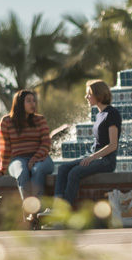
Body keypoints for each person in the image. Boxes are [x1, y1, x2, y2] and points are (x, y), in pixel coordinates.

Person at [52, 80, 121, 208]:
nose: (86, 97)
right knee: (63, 169)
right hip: (95, 156)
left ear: (98, 94)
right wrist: (90, 156)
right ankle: (57, 207)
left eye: (89, 94)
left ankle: (63, 211)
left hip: (107, 160)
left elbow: (113, 145)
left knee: (74, 172)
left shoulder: (112, 114)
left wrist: (91, 157)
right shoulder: (100, 114)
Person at [0, 90, 55, 203]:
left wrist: (34, 158)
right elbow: (6, 149)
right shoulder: (6, 121)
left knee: (37, 170)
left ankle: (37, 210)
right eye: (28, 101)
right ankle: (30, 210)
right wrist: (1, 170)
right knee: (22, 172)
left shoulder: (40, 120)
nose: (33, 104)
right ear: (19, 103)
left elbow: (46, 144)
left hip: (42, 158)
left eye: (34, 100)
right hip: (18, 159)